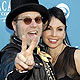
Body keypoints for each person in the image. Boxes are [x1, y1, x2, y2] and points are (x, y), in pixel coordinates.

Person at [0, 0, 56, 80]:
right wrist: (19, 70)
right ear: (14, 25)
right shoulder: (10, 52)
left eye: (37, 19)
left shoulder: (42, 51)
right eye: (27, 20)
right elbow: (7, 70)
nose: (34, 25)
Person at [41, 7, 80, 80]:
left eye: (59, 29)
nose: (54, 34)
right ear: (42, 31)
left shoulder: (76, 56)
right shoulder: (38, 59)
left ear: (64, 33)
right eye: (49, 28)